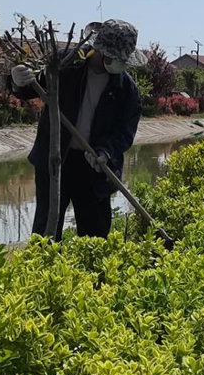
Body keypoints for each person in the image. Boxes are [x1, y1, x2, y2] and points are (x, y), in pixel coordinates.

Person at [9, 19, 145, 241]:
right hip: (55, 160)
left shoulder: (126, 89)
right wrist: (17, 80)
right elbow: (30, 88)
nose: (120, 64)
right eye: (116, 57)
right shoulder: (65, 64)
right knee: (46, 231)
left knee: (95, 236)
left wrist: (105, 151)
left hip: (94, 167)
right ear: (99, 49)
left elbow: (125, 131)